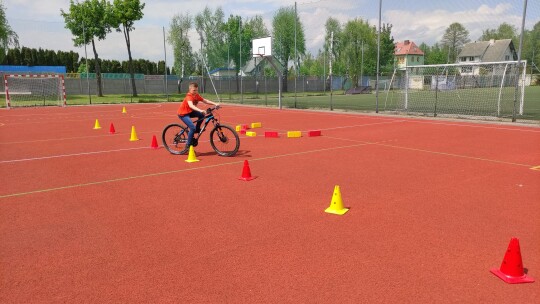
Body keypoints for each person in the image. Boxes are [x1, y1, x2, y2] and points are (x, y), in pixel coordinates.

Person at [177, 82, 219, 149]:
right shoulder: (189, 96)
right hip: (183, 114)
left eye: (196, 90)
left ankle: (197, 129)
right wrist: (200, 110)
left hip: (190, 112)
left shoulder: (196, 95)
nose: (195, 92)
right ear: (190, 89)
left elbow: (205, 100)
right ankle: (188, 145)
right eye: (194, 90)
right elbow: (191, 105)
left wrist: (215, 103)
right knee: (192, 128)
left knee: (202, 115)